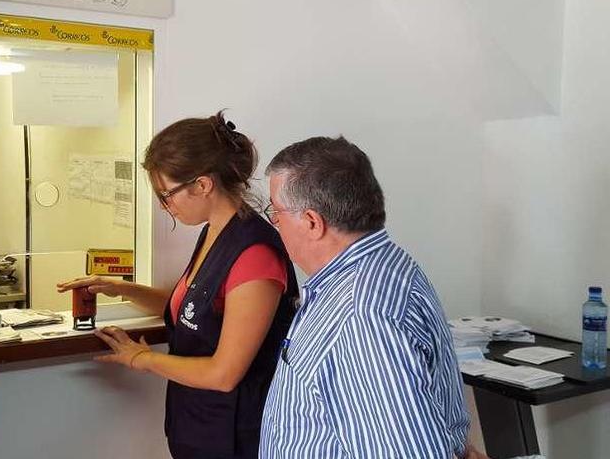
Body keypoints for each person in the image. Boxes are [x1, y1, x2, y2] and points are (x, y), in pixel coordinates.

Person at [57, 112, 298, 459]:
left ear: (202, 185)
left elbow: (224, 374)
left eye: (167, 194)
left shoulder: (255, 254)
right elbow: (191, 310)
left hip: (236, 436)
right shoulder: (214, 232)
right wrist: (120, 288)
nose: (164, 206)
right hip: (196, 427)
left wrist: (141, 358)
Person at [260, 136, 478, 458]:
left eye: (275, 213)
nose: (274, 224)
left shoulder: (359, 316)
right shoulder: (384, 263)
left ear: (311, 222)